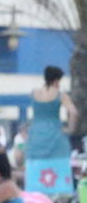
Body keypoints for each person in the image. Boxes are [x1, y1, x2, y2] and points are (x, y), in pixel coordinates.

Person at [25, 65, 79, 195]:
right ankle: (59, 195)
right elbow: (74, 112)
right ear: (56, 80)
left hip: (36, 133)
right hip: (55, 133)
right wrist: (70, 129)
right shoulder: (60, 95)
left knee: (35, 165)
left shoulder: (34, 93)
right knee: (59, 163)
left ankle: (36, 195)